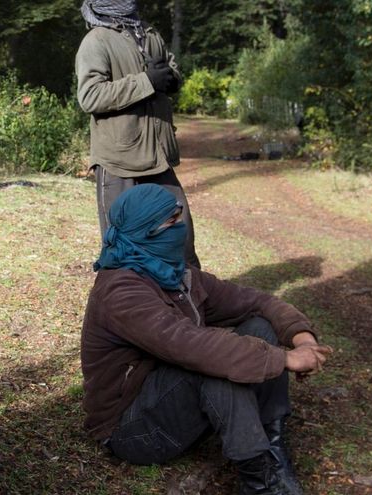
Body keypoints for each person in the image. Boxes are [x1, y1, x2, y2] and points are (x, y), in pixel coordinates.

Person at [81, 184, 333, 494]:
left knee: (259, 325)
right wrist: (284, 359)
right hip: (132, 430)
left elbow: (255, 301)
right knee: (215, 364)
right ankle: (260, 482)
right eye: (171, 222)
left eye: (179, 218)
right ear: (145, 231)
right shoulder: (122, 291)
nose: (180, 228)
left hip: (170, 402)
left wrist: (301, 338)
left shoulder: (174, 273)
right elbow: (190, 345)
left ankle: (272, 448)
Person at [76, 0, 199, 268]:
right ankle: (126, 308)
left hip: (159, 156)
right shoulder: (96, 40)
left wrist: (170, 79)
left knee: (181, 243)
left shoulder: (149, 33)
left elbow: (171, 68)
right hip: (119, 161)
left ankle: (190, 307)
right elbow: (90, 97)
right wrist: (147, 82)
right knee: (122, 251)